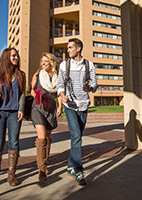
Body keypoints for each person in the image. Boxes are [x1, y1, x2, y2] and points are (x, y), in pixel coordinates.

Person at [56, 38, 97, 186]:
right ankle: (79, 171)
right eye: (68, 48)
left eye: (70, 48)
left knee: (76, 138)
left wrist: (90, 88)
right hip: (70, 105)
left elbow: (95, 84)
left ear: (78, 48)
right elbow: (59, 84)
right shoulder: (64, 65)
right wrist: (62, 95)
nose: (68, 50)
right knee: (77, 136)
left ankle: (70, 167)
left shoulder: (89, 65)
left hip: (84, 105)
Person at [0, 48, 26, 186]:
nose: (16, 57)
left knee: (14, 142)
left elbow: (22, 93)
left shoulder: (21, 74)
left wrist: (21, 108)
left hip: (15, 113)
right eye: (13, 55)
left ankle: (11, 174)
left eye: (17, 55)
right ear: (6, 57)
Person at [30, 52, 62, 183]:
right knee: (42, 137)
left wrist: (60, 107)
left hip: (51, 108)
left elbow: (59, 93)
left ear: (52, 63)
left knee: (47, 138)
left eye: (45, 61)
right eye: (42, 61)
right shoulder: (38, 75)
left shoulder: (57, 77)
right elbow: (33, 90)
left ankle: (45, 163)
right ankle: (41, 170)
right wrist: (37, 99)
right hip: (38, 108)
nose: (43, 63)